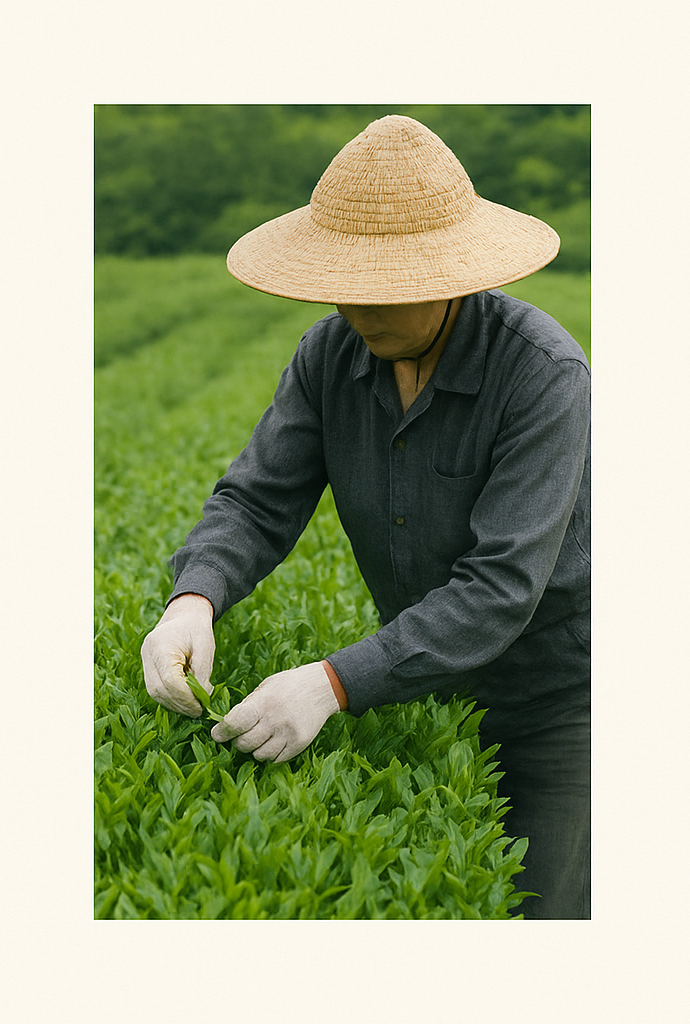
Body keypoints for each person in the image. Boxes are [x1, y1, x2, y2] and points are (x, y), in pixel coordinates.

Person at [141, 115, 590, 919]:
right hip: (418, 685)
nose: (359, 310)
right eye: (346, 285)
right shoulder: (330, 357)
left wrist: (332, 682)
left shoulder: (542, 374)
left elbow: (499, 587)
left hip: (554, 701)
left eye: (387, 288)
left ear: (455, 275)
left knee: (542, 920)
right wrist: (192, 601)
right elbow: (256, 498)